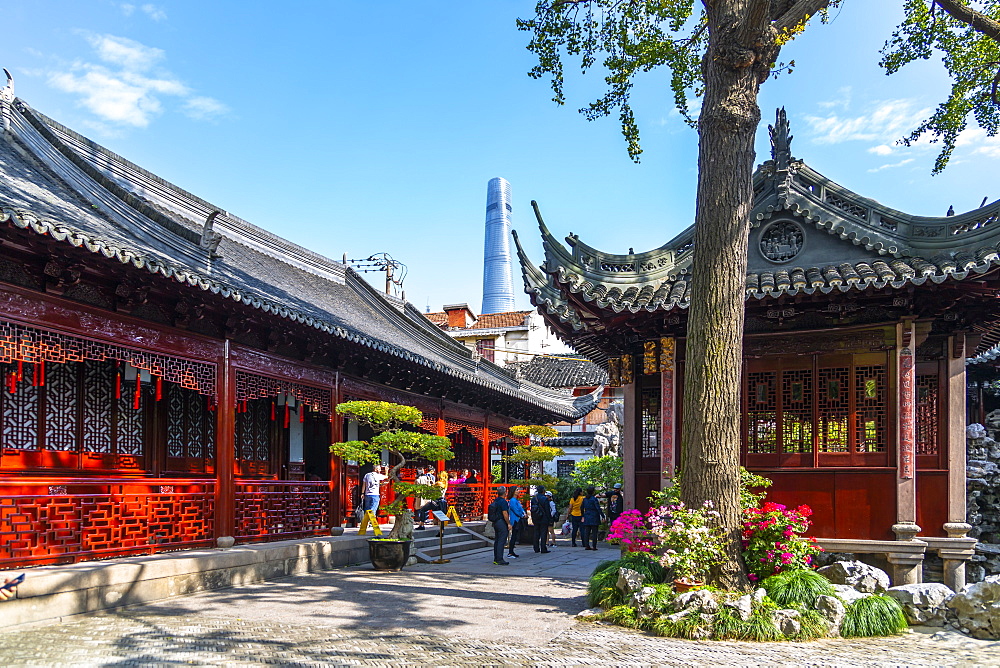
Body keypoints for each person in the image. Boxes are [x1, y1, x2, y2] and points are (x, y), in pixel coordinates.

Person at [487, 487, 511, 565]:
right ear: (505, 493)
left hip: (496, 522)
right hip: (501, 522)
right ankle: (499, 559)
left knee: (497, 540)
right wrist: (508, 523)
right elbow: (505, 513)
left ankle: (496, 558)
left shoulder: (496, 500)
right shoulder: (503, 501)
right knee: (501, 540)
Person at [530, 485, 553, 553]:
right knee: (543, 533)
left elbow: (532, 509)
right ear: (543, 491)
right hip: (543, 518)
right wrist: (550, 519)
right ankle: (543, 548)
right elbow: (547, 510)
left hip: (536, 517)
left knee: (536, 532)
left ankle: (536, 547)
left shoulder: (534, 499)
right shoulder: (545, 499)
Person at [505, 486, 524, 559]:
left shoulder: (516, 500)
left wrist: (523, 513)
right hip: (515, 520)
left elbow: (520, 508)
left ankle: (512, 551)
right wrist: (522, 515)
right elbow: (516, 510)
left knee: (515, 536)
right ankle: (510, 552)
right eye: (516, 490)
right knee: (513, 536)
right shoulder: (512, 501)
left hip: (518, 519)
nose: (518, 491)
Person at [581, 486, 602, 550]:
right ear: (593, 492)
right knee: (594, 532)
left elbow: (581, 508)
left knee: (587, 532)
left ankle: (587, 545)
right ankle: (594, 546)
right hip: (594, 516)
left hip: (587, 515)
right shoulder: (594, 499)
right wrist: (602, 515)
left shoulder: (584, 499)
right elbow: (598, 508)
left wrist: (582, 515)